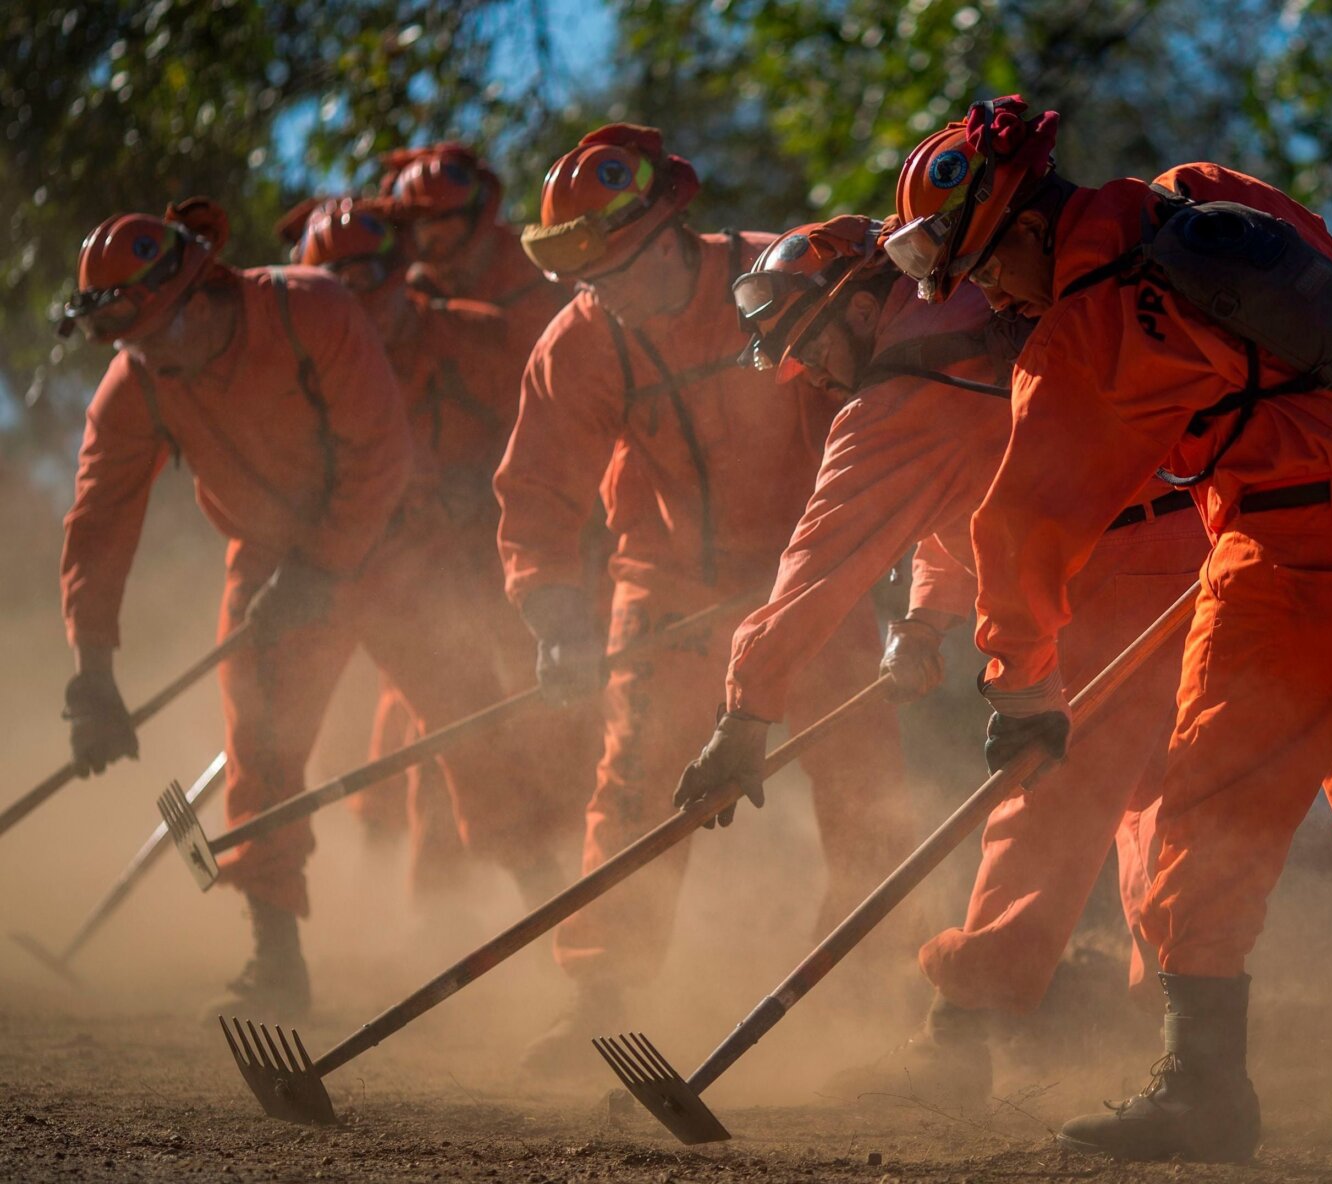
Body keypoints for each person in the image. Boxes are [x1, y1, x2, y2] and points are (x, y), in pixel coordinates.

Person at [886, 97, 1332, 1161]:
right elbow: (1325, 299)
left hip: (1301, 540)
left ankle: (1203, 1086)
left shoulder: (1080, 335)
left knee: (1204, 806)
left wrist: (1020, 688)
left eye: (984, 269)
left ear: (1026, 226)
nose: (991, 297)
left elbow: (1023, 526)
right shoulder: (1203, 190)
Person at [675, 215, 1207, 1107]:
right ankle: (1171, 1028)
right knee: (1158, 801)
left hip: (1108, 574)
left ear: (860, 303)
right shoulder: (971, 324)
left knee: (1043, 791)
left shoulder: (903, 398)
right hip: (1179, 549)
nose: (817, 374)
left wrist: (743, 716)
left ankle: (954, 1042)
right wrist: (924, 624)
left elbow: (820, 564)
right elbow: (973, 492)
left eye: (813, 347)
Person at [57, 199, 565, 1021]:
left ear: (203, 288)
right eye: (130, 338)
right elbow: (100, 519)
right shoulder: (138, 382)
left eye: (158, 326)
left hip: (393, 546)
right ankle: (277, 965)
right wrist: (93, 670)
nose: (149, 350)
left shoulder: (311, 311)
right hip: (267, 561)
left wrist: (322, 569)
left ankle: (564, 941)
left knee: (475, 732)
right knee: (261, 750)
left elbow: (381, 455)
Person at [495, 126, 905, 1073]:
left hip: (811, 571)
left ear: (669, 229)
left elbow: (870, 409)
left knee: (863, 787)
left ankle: (866, 994)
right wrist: (554, 612)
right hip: (666, 580)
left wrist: (875, 544)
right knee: (633, 787)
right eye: (589, 279)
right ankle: (599, 1001)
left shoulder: (779, 276)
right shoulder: (584, 339)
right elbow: (539, 488)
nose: (609, 293)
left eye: (620, 268)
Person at [290, 195, 595, 902]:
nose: (363, 309)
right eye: (339, 294)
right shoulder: (310, 381)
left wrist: (483, 481)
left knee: (553, 702)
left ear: (403, 276)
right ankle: (444, 905)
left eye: (372, 284)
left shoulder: (478, 337)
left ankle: (567, 872)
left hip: (502, 555)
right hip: (404, 576)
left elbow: (553, 433)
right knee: (438, 733)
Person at [378, 141, 572, 360]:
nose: (439, 232)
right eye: (425, 223)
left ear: (475, 212)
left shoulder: (535, 255)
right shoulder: (410, 295)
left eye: (448, 217)